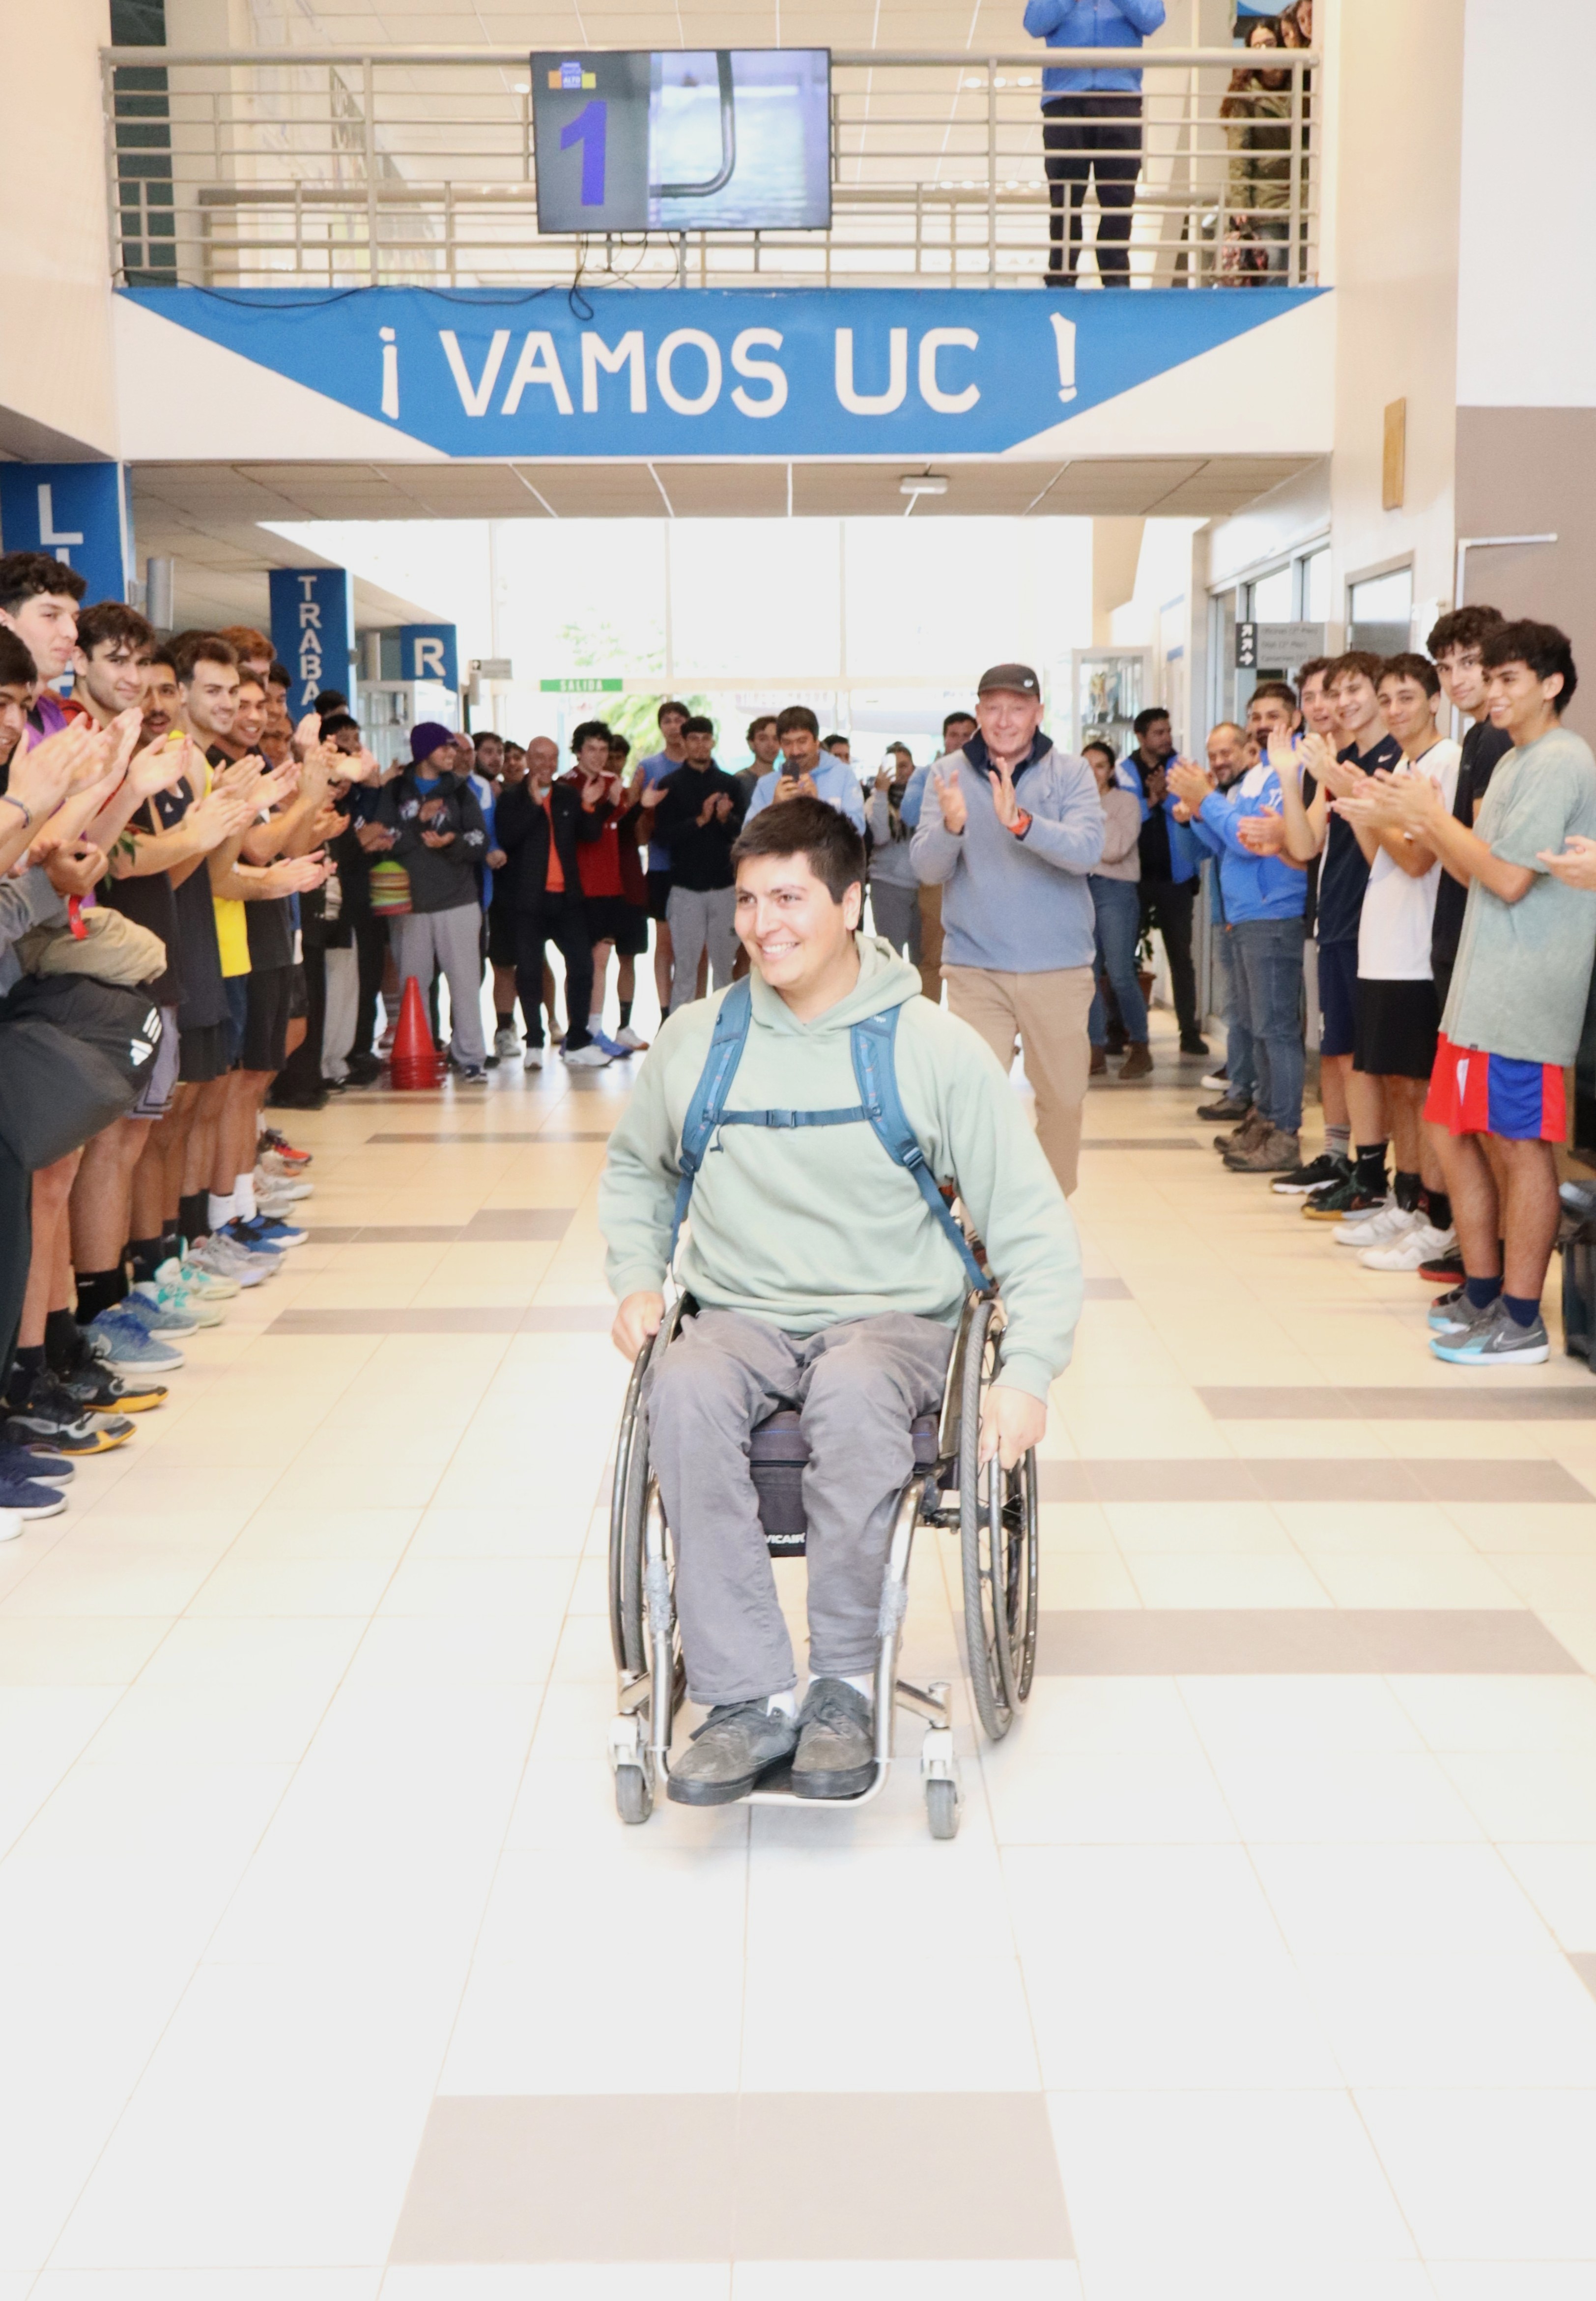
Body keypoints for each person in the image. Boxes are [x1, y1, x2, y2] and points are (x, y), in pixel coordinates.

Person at [598, 797, 1082, 1804]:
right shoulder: (697, 1040)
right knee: (679, 1388)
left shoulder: (929, 1046)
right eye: (746, 902)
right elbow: (638, 1171)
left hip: (892, 1317)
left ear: (851, 902)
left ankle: (842, 1685)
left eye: (789, 898)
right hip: (738, 1311)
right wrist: (638, 1278)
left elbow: (1028, 1216)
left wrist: (1027, 1369)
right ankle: (747, 1698)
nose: (763, 924)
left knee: (858, 1389)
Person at [1377, 622, 1596, 1365]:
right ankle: (1485, 1290)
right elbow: (1475, 872)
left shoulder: (1562, 761)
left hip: (1524, 988)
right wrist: (1420, 821)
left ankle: (1525, 1317)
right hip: (1479, 984)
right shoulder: (1511, 763)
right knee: (1453, 1130)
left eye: (1508, 680)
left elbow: (1509, 878)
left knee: (1521, 1144)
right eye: (1485, 678)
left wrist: (1432, 818)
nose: (1493, 693)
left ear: (1552, 685)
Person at [910, 663, 1104, 1196]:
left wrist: (1022, 823)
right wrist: (952, 826)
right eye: (992, 708)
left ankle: (1044, 1218)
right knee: (975, 1100)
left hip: (1058, 967)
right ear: (977, 714)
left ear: (1037, 713)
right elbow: (927, 869)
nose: (1003, 719)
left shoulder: (1069, 773)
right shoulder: (946, 773)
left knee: (1063, 1101)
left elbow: (1088, 850)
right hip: (977, 968)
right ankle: (981, 1226)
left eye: (1016, 708)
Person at [1326, 656, 1461, 1271]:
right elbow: (1375, 848)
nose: (1395, 709)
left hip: (1414, 949)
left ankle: (1437, 1214)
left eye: (1407, 697)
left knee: (1421, 1086)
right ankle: (1405, 1199)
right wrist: (1362, 806)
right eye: (1388, 699)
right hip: (1379, 944)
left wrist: (1370, 807)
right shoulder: (1400, 767)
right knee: (1395, 1085)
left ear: (1433, 700)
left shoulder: (1442, 762)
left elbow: (1416, 860)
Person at [1274, 652, 1402, 1219]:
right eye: (1333, 691)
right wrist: (1289, 774)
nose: (1340, 702)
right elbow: (1304, 847)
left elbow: (1401, 854)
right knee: (1341, 1049)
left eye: (1353, 690)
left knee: (1371, 1061)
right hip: (1335, 921)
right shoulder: (1340, 760)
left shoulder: (1396, 760)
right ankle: (1355, 1164)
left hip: (1376, 927)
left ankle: (1375, 1173)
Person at [1170, 694, 1309, 1175]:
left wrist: (1207, 801)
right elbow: (1227, 843)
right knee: (1255, 1025)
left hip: (1274, 912)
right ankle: (1263, 1118)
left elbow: (1252, 840)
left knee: (1275, 1029)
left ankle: (1283, 1129)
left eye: (1273, 716)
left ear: (1294, 720)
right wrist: (1198, 812)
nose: (1261, 724)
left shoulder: (1286, 774)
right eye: (1255, 716)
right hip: (1245, 913)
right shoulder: (1254, 775)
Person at [376, 721, 491, 1082]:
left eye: (454, 748)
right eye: (445, 748)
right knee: (414, 985)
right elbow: (382, 840)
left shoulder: (460, 791)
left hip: (458, 902)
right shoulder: (395, 791)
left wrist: (451, 843)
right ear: (425, 750)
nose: (452, 754)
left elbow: (479, 841)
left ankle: (471, 1058)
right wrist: (416, 826)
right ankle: (421, 1056)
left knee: (465, 983)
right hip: (409, 905)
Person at [1023, 0, 1165, 289]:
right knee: (1065, 195)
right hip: (1065, 99)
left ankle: (1115, 278)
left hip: (1120, 97)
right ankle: (1061, 275)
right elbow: (1034, 23)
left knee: (1118, 194)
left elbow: (1153, 17)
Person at [493, 726, 610, 1069]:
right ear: (529, 760)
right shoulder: (511, 797)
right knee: (528, 971)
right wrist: (533, 805)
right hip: (527, 902)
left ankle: (576, 1041)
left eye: (553, 758)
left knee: (583, 966)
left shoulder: (567, 795)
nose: (547, 763)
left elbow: (589, 836)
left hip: (568, 900)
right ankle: (534, 1042)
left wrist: (590, 806)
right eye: (540, 757)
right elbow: (508, 837)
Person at [1118, 704, 1206, 1057]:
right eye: (1158, 733)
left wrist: (1166, 799)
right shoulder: (1124, 772)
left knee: (1181, 958)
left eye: (1168, 731)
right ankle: (1123, 1031)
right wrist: (1150, 799)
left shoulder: (1185, 770)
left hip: (1176, 878)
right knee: (1123, 957)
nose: (1166, 738)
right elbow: (1123, 817)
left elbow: (1194, 809)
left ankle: (1189, 1031)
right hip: (1133, 878)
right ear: (1140, 737)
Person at [557, 720, 646, 1059]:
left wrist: (639, 804)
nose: (598, 756)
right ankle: (577, 1030)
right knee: (580, 962)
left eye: (603, 749)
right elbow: (579, 833)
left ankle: (595, 1028)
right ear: (578, 751)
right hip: (580, 888)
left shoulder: (613, 783)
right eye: (591, 749)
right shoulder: (567, 786)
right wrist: (591, 803)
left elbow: (621, 830)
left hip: (612, 885)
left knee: (602, 958)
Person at [650, 716, 747, 1010]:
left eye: (706, 738)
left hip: (724, 887)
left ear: (713, 742)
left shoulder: (730, 783)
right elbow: (662, 837)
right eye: (694, 739)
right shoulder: (670, 784)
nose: (700, 744)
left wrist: (723, 819)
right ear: (685, 742)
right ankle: (681, 1034)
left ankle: (724, 1032)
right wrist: (701, 820)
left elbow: (743, 835)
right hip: (685, 889)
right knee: (686, 970)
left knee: (724, 969)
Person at [901, 709, 978, 1003]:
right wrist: (942, 794)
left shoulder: (989, 771)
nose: (959, 741)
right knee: (933, 956)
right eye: (953, 735)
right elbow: (910, 815)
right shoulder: (928, 774)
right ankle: (927, 1032)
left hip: (977, 876)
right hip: (937, 876)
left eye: (966, 736)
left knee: (977, 962)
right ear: (944, 738)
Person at [1083, 739, 1149, 1079]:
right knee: (1087, 973)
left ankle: (1140, 1045)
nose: (1093, 773)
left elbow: (1115, 849)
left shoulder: (1125, 802)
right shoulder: (1073, 803)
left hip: (1116, 890)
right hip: (1083, 890)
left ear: (1111, 771)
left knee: (1121, 972)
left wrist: (1094, 811)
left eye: (1100, 766)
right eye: (1087, 765)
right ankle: (1095, 1048)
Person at [637, 700, 690, 1018]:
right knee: (666, 943)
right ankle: (665, 1012)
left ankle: (694, 1009)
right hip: (661, 866)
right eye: (667, 720)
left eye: (679, 719)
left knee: (697, 948)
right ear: (661, 727)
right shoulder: (649, 767)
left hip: (697, 867)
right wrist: (646, 807)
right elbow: (639, 831)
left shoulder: (704, 764)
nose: (674, 725)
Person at [0, 551, 86, 738]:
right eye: (50, 616)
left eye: (74, 620)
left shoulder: (51, 711)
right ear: (3, 621)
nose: (72, 633)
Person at [745, 706, 867, 832]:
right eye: (787, 743)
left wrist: (818, 806)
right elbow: (748, 838)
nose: (795, 751)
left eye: (802, 741)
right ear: (780, 744)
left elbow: (857, 830)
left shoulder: (843, 775)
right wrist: (774, 807)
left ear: (816, 742)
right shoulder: (766, 784)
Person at [865, 745, 921, 961]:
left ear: (913, 768)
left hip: (925, 887)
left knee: (925, 958)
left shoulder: (926, 799)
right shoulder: (874, 801)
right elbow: (880, 837)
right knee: (891, 956)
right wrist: (881, 792)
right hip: (887, 885)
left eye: (904, 766)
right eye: (892, 766)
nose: (899, 772)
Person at [736, 714, 781, 811]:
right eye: (763, 739)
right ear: (751, 743)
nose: (771, 745)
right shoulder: (739, 781)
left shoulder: (784, 781)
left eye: (776, 739)